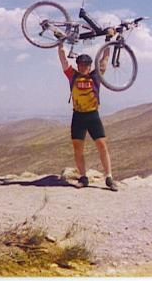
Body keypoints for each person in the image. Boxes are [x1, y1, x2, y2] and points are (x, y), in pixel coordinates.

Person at [57, 42, 119, 191]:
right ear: (78, 66)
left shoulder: (96, 76)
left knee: (102, 146)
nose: (84, 67)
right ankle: (83, 177)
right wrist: (60, 43)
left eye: (86, 65)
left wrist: (109, 40)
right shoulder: (73, 75)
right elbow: (63, 60)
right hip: (78, 116)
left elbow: (105, 59)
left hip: (92, 115)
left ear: (90, 66)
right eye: (81, 64)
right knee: (78, 149)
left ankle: (109, 177)